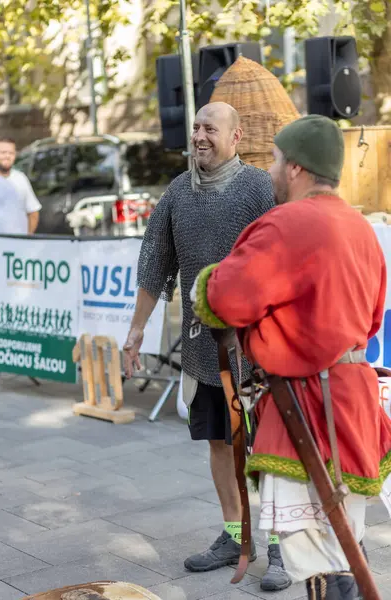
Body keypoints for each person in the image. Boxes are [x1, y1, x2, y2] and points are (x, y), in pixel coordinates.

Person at [191, 114, 391, 599]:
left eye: (278, 160)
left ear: (297, 167)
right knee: (342, 544)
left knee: (320, 554)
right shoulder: (359, 225)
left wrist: (208, 280)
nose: (273, 169)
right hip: (351, 400)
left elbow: (225, 298)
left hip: (308, 407)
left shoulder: (288, 222)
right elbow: (369, 321)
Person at [123, 101, 292, 591]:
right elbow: (156, 268)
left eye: (209, 129)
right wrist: (136, 332)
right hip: (203, 349)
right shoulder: (177, 194)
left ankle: (281, 545)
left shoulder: (261, 189)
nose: (199, 136)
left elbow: (286, 263)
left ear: (236, 138)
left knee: (269, 449)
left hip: (258, 349)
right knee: (220, 443)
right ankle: (237, 536)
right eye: (195, 127)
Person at [0, 136, 41, 234]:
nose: (7, 156)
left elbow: (33, 212)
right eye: (3, 152)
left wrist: (26, 238)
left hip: (18, 245)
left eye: (11, 153)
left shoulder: (20, 178)